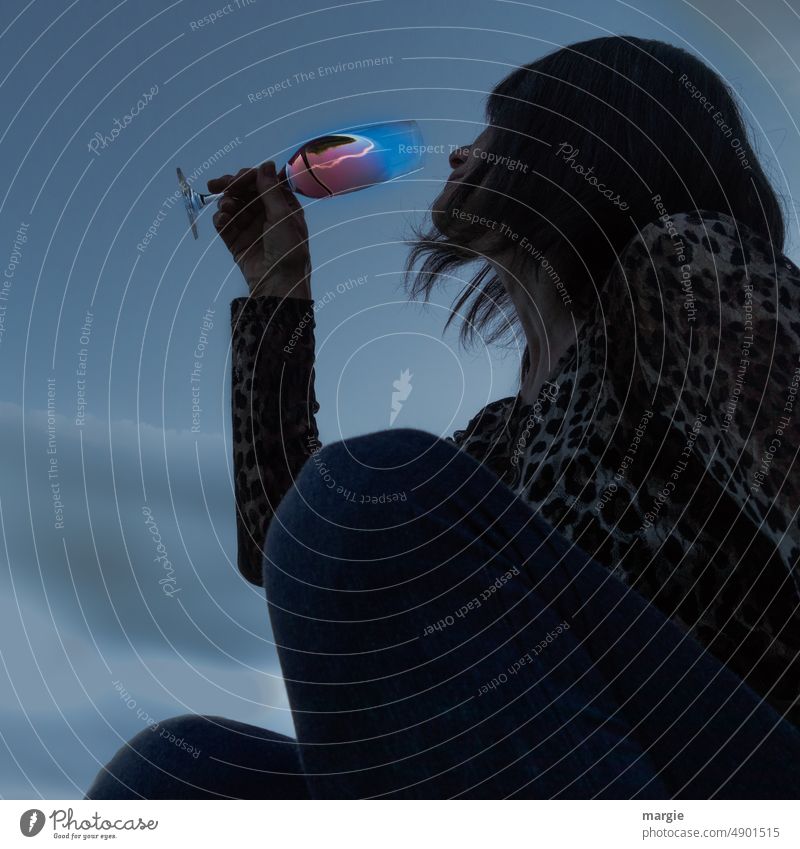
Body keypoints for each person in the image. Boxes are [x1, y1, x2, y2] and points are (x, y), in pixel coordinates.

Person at [87, 35, 800, 800]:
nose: (462, 152)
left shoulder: (686, 271)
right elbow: (289, 542)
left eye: (496, 129)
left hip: (733, 773)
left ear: (571, 143)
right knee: (176, 771)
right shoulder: (506, 430)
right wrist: (277, 283)